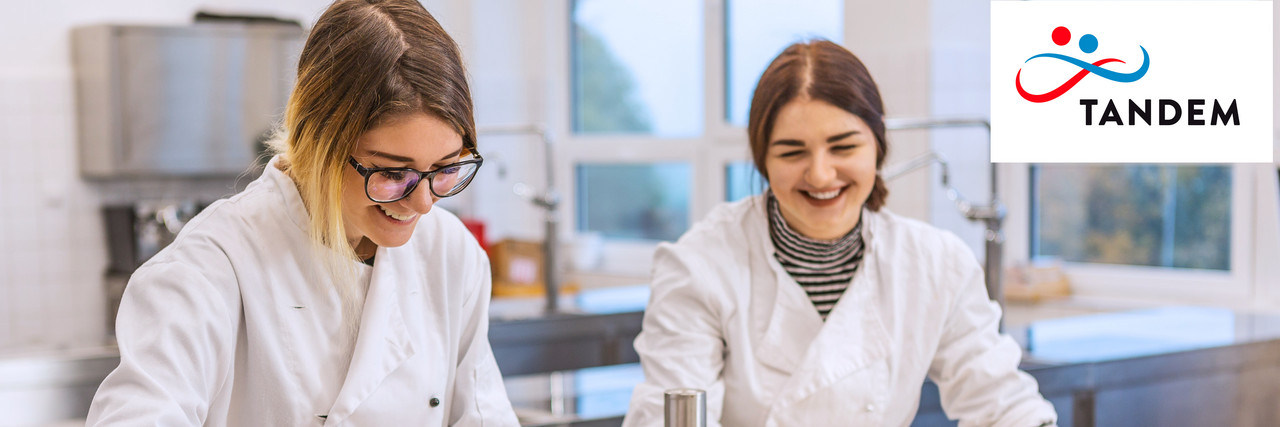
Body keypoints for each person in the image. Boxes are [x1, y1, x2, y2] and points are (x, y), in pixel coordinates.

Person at [86, 1, 519, 425]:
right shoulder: (210, 268)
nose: (423, 203)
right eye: (392, 173)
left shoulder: (449, 252)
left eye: (445, 168)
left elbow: (482, 415)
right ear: (317, 142)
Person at [622, 40, 1057, 427]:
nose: (821, 173)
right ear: (763, 162)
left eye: (844, 147)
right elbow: (670, 412)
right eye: (793, 152)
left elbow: (1001, 402)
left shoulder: (934, 263)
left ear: (878, 148)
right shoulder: (701, 264)